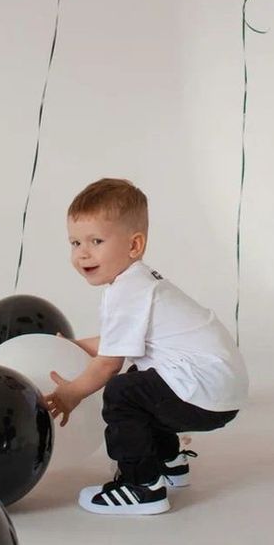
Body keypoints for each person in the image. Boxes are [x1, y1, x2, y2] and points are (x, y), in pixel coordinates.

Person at [44, 178, 249, 516]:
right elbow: (119, 342)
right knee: (145, 380)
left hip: (205, 389)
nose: (83, 253)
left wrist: (71, 394)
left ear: (134, 245)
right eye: (75, 242)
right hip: (219, 386)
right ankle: (169, 462)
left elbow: (109, 363)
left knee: (124, 392)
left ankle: (141, 486)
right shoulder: (139, 283)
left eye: (96, 241)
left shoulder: (126, 290)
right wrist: (78, 345)